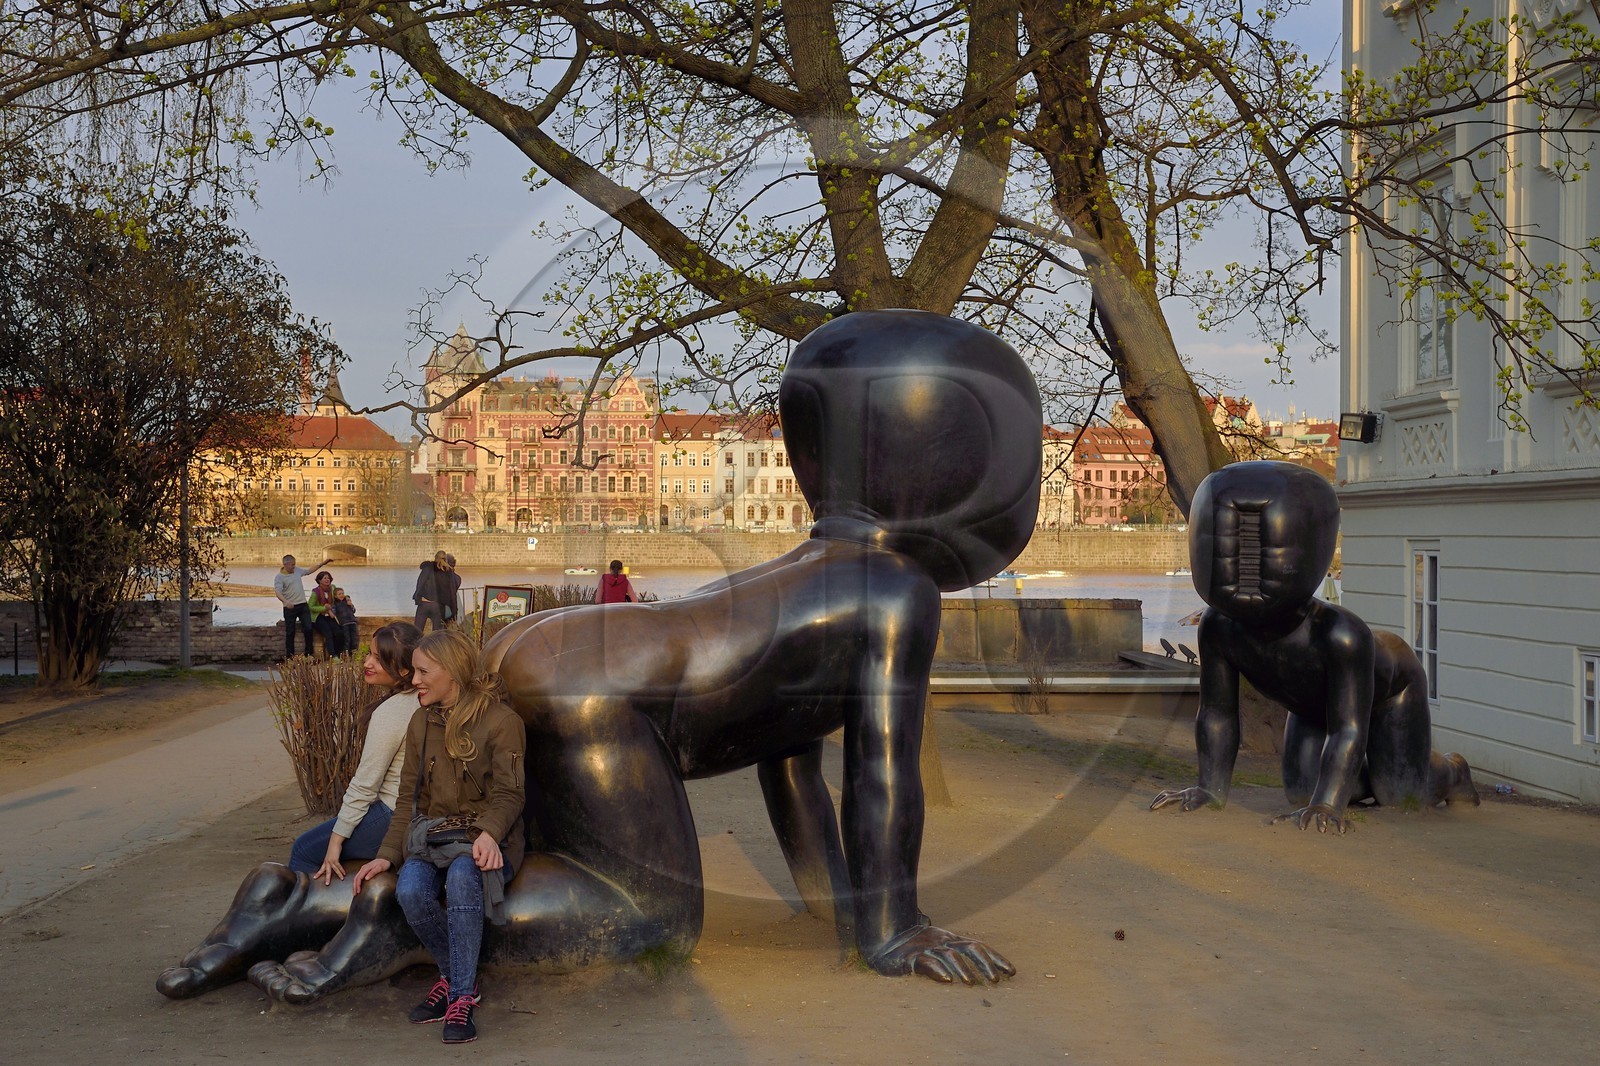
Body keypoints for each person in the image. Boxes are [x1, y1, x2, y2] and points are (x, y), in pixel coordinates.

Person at [155, 623, 425, 1000]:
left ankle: (289, 938)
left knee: (304, 850)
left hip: (392, 812)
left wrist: (336, 841)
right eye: (370, 654)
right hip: (416, 813)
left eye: (379, 659)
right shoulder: (423, 702)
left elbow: (365, 786)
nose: (367, 663)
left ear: (404, 670)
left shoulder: (393, 712)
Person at [352, 629, 526, 1045]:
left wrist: (488, 833)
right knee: (410, 891)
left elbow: (510, 793)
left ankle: (462, 997)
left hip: (486, 838)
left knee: (465, 876)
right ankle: (454, 976)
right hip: (433, 837)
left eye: (423, 672)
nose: (414, 681)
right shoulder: (421, 721)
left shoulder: (503, 722)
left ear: (453, 672)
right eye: (414, 672)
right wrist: (386, 855)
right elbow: (407, 797)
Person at [275, 553, 332, 659]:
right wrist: (286, 602)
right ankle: (290, 657)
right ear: (285, 564)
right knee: (290, 631)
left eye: (294, 564)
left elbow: (308, 571)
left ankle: (308, 654)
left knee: (308, 628)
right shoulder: (279, 577)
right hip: (290, 608)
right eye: (292, 565)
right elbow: (278, 592)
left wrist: (322, 564)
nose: (294, 566)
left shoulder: (297, 570)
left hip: (302, 605)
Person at [413, 551, 454, 632]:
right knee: (436, 634)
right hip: (438, 606)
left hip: (425, 603)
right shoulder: (448, 571)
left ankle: (416, 644)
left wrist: (417, 598)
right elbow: (451, 590)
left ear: (435, 558)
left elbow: (420, 584)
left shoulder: (427, 568)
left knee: (417, 631)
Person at [308, 571, 345, 657]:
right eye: (324, 578)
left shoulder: (333, 588)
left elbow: (339, 596)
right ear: (319, 580)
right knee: (328, 633)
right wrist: (324, 608)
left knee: (339, 632)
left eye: (328, 578)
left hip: (330, 615)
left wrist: (347, 600)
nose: (327, 580)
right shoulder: (315, 592)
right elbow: (310, 606)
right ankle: (333, 655)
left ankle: (339, 653)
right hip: (318, 616)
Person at [331, 586, 359, 656]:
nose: (341, 595)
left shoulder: (347, 601)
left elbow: (353, 611)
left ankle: (354, 653)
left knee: (355, 638)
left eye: (342, 593)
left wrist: (351, 604)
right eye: (339, 594)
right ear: (335, 596)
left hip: (352, 622)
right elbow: (333, 613)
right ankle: (346, 654)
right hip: (344, 623)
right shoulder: (335, 604)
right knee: (347, 639)